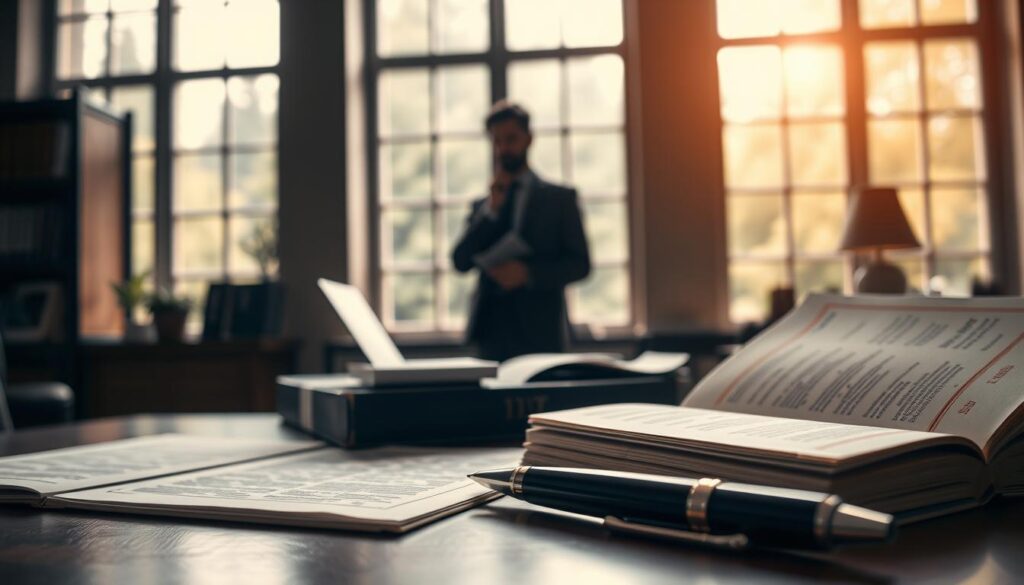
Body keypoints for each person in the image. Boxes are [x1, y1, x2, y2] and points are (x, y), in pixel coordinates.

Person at [452, 101, 591, 361]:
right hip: (491, 336)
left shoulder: (560, 199)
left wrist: (528, 274)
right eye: (497, 141)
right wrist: (491, 212)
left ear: (528, 139)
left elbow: (580, 264)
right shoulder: (483, 205)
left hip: (542, 332)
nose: (504, 148)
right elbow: (460, 261)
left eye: (511, 139)